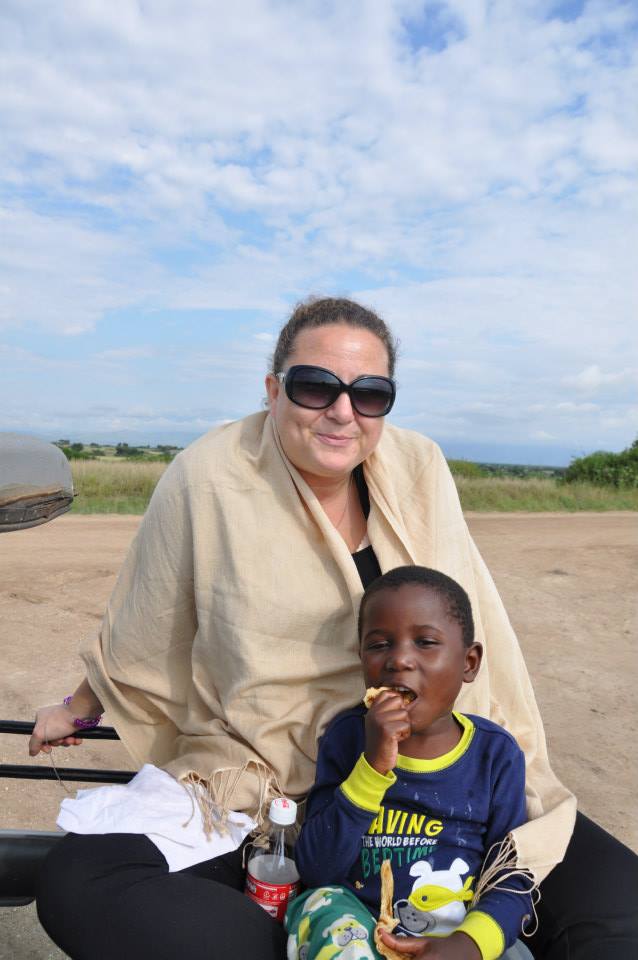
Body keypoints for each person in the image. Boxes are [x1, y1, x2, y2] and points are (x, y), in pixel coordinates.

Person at [28, 297, 637, 960]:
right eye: (316, 386)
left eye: (370, 394)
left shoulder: (419, 467)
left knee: (619, 901)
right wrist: (78, 708)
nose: (342, 411)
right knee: (82, 883)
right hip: (274, 776)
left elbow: (470, 611)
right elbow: (149, 614)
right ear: (273, 387)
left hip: (437, 762)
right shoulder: (211, 475)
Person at [286, 565, 534, 960]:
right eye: (380, 644)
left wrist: (467, 945)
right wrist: (372, 766)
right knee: (320, 906)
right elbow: (316, 868)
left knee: (512, 952)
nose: (399, 659)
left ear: (469, 663)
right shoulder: (348, 736)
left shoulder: (495, 755)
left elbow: (513, 875)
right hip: (356, 920)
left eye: (425, 642)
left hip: (453, 932)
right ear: (361, 658)